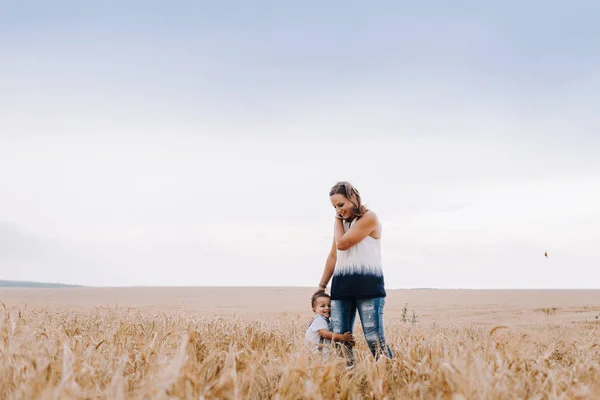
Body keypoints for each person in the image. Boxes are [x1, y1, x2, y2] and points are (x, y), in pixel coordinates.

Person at [315, 181, 393, 363]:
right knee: (340, 341)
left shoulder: (369, 218)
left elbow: (342, 244)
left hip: (368, 289)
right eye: (334, 207)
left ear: (353, 198)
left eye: (340, 205)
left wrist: (336, 219)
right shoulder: (342, 225)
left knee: (374, 340)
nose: (338, 211)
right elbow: (333, 256)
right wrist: (321, 286)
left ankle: (391, 378)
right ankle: (349, 383)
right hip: (341, 290)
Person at [305, 292, 355, 359]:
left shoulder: (324, 320)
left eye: (329, 305)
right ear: (314, 310)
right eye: (322, 306)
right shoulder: (319, 320)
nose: (327, 308)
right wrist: (342, 337)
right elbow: (325, 334)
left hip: (319, 355)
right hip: (317, 355)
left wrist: (347, 342)